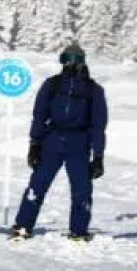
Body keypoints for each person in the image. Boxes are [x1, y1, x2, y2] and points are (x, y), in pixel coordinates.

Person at [12, 42, 107, 242]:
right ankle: (23, 225)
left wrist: (98, 156)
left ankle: (78, 230)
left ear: (82, 62)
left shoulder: (93, 90)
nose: (70, 65)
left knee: (82, 189)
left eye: (75, 60)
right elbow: (39, 114)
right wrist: (35, 144)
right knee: (37, 185)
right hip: (52, 141)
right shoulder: (52, 84)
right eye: (66, 59)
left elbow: (98, 124)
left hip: (79, 143)